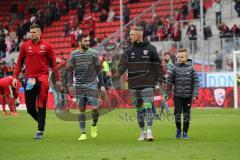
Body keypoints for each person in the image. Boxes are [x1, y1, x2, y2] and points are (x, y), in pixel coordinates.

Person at [113, 26, 164, 141]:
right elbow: (122, 66)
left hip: (147, 84)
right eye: (130, 34)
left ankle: (150, 131)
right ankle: (143, 132)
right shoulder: (128, 51)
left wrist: (161, 80)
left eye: (132, 34)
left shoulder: (151, 49)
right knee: (139, 109)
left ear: (139, 35)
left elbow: (157, 66)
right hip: (134, 85)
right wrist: (117, 74)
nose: (130, 37)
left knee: (148, 107)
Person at [12, 23, 60, 139]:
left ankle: (40, 131)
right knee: (30, 108)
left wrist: (57, 79)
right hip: (30, 79)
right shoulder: (25, 46)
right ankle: (41, 121)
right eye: (30, 32)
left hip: (43, 78)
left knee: (41, 104)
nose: (31, 34)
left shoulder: (47, 46)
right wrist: (15, 76)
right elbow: (19, 62)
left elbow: (53, 64)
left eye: (34, 32)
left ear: (39, 33)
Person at [68, 34, 105, 141]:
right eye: (85, 41)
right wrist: (70, 84)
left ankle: (94, 124)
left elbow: (99, 70)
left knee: (95, 108)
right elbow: (70, 71)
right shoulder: (73, 55)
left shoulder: (94, 53)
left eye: (88, 40)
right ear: (79, 42)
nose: (88, 42)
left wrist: (102, 85)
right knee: (81, 109)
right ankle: (83, 132)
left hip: (92, 84)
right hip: (79, 85)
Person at [167, 48, 199, 140]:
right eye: (178, 57)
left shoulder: (192, 69)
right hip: (177, 96)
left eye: (182, 57)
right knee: (177, 113)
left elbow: (196, 82)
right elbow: (169, 82)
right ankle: (178, 130)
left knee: (186, 115)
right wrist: (168, 93)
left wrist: (195, 94)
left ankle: (185, 132)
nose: (179, 58)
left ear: (187, 57)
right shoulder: (174, 69)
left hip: (188, 97)